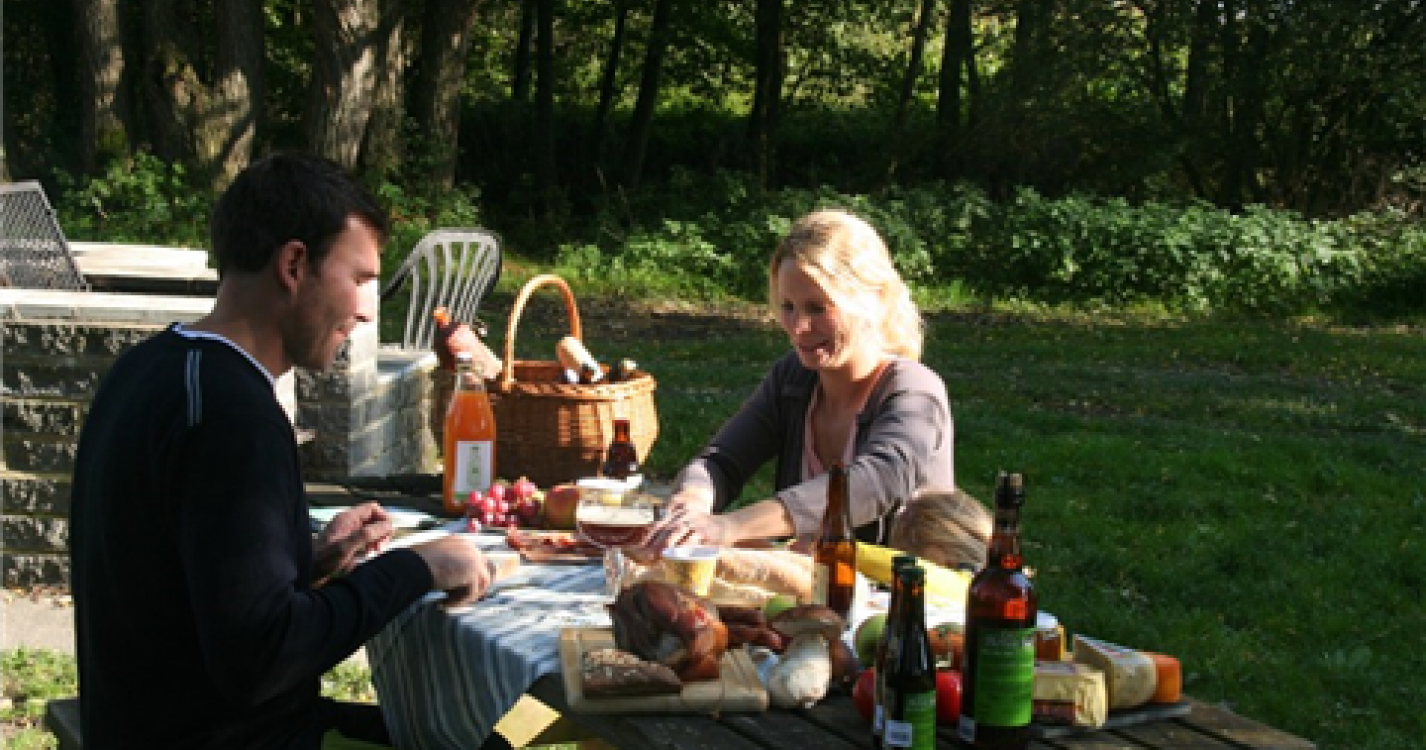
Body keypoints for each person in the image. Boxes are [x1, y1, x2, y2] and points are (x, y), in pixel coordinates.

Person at [68, 152, 504, 750]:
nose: (366, 310)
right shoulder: (232, 416)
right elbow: (262, 659)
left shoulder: (148, 369)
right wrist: (418, 568)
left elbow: (182, 580)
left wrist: (305, 561)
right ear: (294, 264)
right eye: (359, 279)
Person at [640, 208, 956, 553]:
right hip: (813, 583)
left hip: (904, 584)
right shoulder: (794, 379)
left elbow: (877, 481)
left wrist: (732, 526)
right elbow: (722, 460)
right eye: (788, 306)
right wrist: (692, 501)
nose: (799, 327)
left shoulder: (914, 391)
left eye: (818, 308)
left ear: (876, 301)